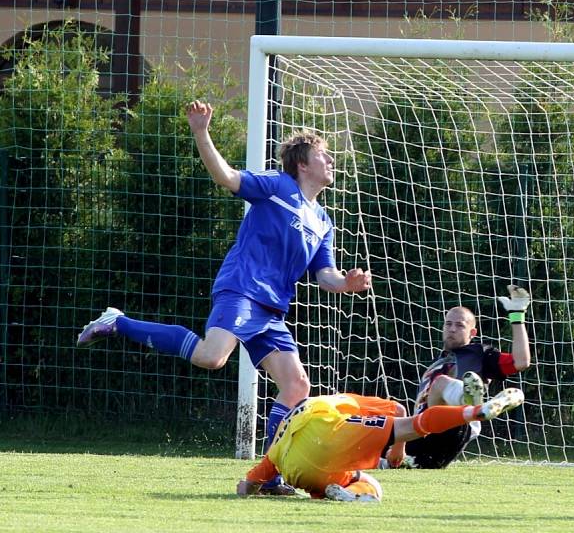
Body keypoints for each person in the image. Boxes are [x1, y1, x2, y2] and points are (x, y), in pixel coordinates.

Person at [77, 101, 371, 493]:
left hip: (271, 308)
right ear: (302, 163)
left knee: (297, 386)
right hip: (243, 288)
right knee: (211, 357)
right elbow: (228, 177)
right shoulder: (278, 187)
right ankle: (118, 321)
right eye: (323, 154)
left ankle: (269, 477)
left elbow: (326, 276)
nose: (331, 159)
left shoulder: (323, 221)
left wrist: (346, 283)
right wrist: (201, 132)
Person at [236, 386, 525, 502]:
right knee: (414, 426)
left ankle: (334, 493)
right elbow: (399, 411)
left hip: (296, 467)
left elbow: (245, 488)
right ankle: (475, 412)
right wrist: (397, 450)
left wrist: (250, 487)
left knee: (342, 478)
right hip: (328, 427)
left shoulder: (276, 448)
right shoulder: (334, 400)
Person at [384, 284, 531, 470]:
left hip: (453, 427)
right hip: (420, 437)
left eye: (459, 325)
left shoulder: (480, 354)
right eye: (448, 324)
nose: (452, 329)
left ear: (472, 333)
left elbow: (521, 362)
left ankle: (471, 402)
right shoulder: (435, 364)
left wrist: (517, 316)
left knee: (440, 384)